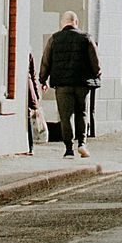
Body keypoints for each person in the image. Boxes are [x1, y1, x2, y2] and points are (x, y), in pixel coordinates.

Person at [38, 13, 100, 158]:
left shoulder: (54, 39)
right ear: (76, 22)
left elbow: (46, 61)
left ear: (62, 23)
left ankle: (68, 149)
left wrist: (42, 80)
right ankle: (82, 144)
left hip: (62, 85)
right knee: (82, 113)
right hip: (82, 84)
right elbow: (96, 64)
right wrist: (95, 75)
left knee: (65, 117)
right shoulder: (87, 38)